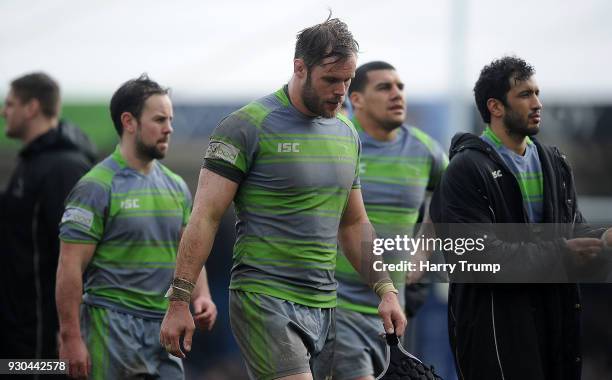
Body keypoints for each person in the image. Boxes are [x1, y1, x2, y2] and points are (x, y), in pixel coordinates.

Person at [159, 17, 407, 380]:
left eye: (347, 80)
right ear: (299, 68)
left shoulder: (346, 132)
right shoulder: (245, 126)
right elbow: (205, 216)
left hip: (325, 303)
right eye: (330, 80)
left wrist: (385, 290)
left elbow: (354, 223)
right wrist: (179, 299)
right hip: (263, 297)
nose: (341, 91)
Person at [430, 56, 612, 380]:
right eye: (525, 95)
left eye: (537, 92)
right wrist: (563, 252)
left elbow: (573, 236)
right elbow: (480, 258)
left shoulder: (555, 163)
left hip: (555, 324)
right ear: (495, 107)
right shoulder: (464, 170)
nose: (537, 103)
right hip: (495, 333)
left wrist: (603, 243)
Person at [56, 74, 217, 379]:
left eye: (170, 119)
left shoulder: (176, 186)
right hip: (111, 326)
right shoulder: (95, 187)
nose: (169, 128)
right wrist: (71, 338)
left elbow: (190, 252)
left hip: (164, 327)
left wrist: (202, 296)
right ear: (129, 122)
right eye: (159, 119)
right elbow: (69, 267)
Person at [332, 61, 448, 380]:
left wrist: (423, 251)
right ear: (356, 99)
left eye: (400, 87)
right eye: (384, 87)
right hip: (336, 303)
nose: (397, 94)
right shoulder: (337, 142)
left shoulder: (425, 150)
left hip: (392, 311)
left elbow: (453, 197)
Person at [0, 72, 96, 364]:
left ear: (32, 108)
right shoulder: (31, 163)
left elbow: (76, 256)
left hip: (44, 339)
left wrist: (70, 332)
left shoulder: (62, 168)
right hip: (20, 332)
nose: (4, 112)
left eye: (11, 104)